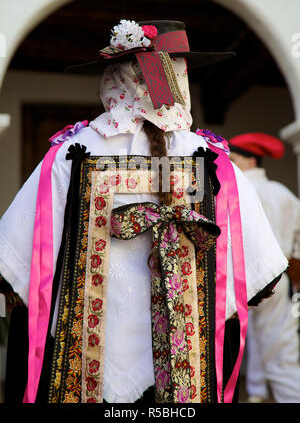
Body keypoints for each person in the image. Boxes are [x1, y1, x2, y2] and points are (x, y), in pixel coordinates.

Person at [0, 21, 287, 404]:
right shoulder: (210, 158)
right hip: (187, 359)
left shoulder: (71, 153)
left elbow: (20, 262)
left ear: (115, 78)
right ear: (176, 79)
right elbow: (254, 272)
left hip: (84, 360)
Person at [229, 132, 300, 403]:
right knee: (270, 339)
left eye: (234, 160)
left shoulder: (240, 188)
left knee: (268, 342)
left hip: (245, 277)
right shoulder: (281, 192)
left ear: (249, 161)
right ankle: (259, 393)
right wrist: (295, 260)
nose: (231, 165)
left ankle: (284, 396)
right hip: (275, 275)